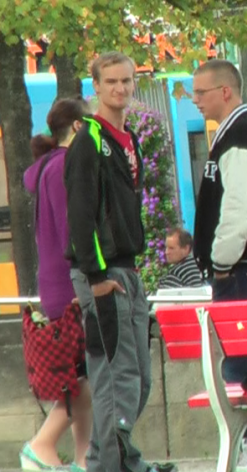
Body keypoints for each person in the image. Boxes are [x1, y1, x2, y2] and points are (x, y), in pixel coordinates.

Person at [64, 52, 175, 472]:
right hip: (103, 272)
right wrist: (95, 277)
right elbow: (81, 212)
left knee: (138, 379)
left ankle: (113, 459)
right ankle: (113, 466)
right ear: (96, 86)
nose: (121, 89)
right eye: (111, 82)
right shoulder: (89, 139)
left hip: (126, 268)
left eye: (127, 81)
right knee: (117, 378)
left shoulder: (127, 139)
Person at [191, 59, 247, 472]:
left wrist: (220, 260)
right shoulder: (235, 135)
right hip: (243, 267)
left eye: (201, 92)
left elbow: (245, 205)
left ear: (225, 92)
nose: (195, 100)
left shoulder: (241, 137)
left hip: (242, 267)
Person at [20, 98, 93, 472]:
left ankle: (82, 457)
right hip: (71, 283)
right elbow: (73, 229)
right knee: (84, 376)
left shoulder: (46, 166)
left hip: (53, 282)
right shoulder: (66, 166)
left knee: (81, 378)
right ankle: (42, 444)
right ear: (79, 128)